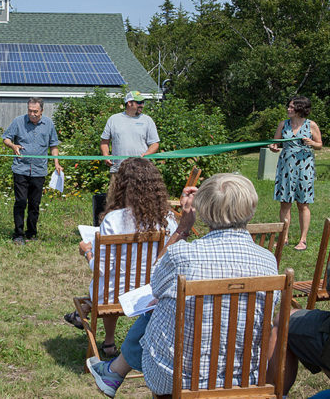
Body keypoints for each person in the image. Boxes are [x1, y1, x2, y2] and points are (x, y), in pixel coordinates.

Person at [87, 173, 278, 397]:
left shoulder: (183, 255)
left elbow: (154, 284)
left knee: (157, 303)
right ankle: (114, 370)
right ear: (251, 207)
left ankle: (115, 370)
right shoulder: (267, 260)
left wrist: (182, 229)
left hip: (177, 377)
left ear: (203, 209)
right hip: (242, 377)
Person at [64, 158, 178, 357]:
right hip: (152, 291)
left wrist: (87, 252)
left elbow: (100, 269)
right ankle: (106, 338)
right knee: (114, 281)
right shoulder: (168, 220)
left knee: (109, 283)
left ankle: (107, 340)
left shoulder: (114, 220)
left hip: (112, 295)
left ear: (122, 186)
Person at [2, 97, 63, 245]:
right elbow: (6, 138)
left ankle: (31, 233)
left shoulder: (48, 124)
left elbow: (53, 145)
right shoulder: (18, 121)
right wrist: (13, 146)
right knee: (21, 201)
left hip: (39, 170)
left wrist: (56, 163)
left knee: (35, 204)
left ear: (41, 111)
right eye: (30, 111)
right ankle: (18, 234)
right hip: (20, 168)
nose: (32, 114)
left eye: (35, 111)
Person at [269, 95, 323, 251]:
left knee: (303, 204)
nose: (288, 109)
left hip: (304, 168)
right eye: (289, 106)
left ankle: (303, 240)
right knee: (285, 203)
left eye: (292, 107)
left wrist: (312, 143)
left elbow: (319, 145)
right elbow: (275, 144)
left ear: (300, 109)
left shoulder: (311, 125)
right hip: (286, 167)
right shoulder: (283, 124)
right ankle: (284, 238)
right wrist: (274, 148)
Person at [100, 91, 159, 173]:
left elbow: (155, 143)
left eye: (143, 102)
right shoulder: (113, 119)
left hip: (141, 170)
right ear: (129, 103)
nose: (142, 105)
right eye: (139, 102)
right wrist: (105, 156)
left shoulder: (147, 120)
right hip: (118, 170)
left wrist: (147, 154)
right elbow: (104, 142)